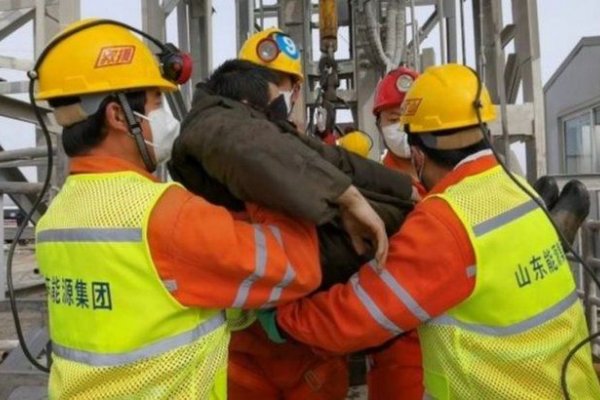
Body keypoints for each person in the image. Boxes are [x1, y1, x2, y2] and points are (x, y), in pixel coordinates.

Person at [267, 64, 600, 399]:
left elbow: (358, 314)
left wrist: (284, 321)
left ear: (418, 152)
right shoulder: (519, 193)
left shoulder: (446, 221)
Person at [33, 20, 324, 399]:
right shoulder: (163, 216)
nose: (167, 118)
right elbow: (297, 266)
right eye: (156, 103)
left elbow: (151, 302)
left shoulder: (54, 220)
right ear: (119, 117)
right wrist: (263, 178)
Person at [373, 66, 420, 176]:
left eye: (413, 117)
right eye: (394, 119)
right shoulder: (377, 184)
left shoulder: (453, 177)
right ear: (379, 127)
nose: (405, 127)